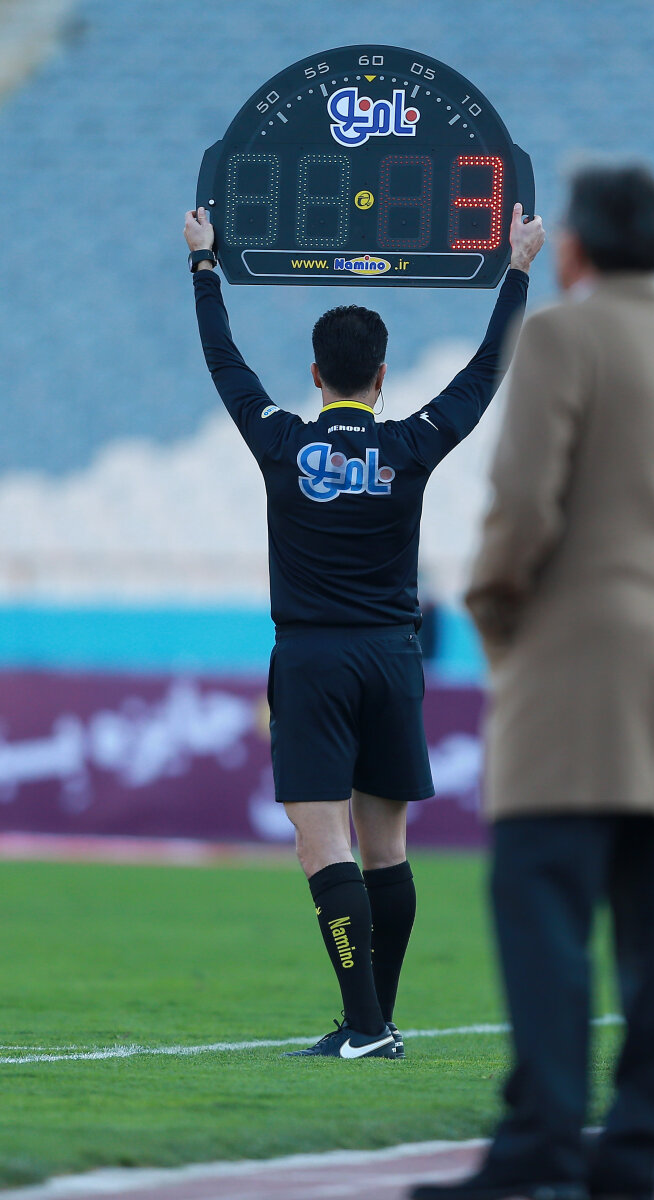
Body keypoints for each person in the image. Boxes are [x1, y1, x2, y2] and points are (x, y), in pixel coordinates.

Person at [411, 164, 654, 1198]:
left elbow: (522, 504)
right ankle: (633, 1153)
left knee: (541, 908)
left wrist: (496, 614)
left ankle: (542, 1141)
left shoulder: (562, 337)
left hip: (566, 667)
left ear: (574, 247)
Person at [184, 203, 545, 1060]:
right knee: (387, 849)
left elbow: (225, 362)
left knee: (323, 848)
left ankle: (366, 1026)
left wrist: (204, 266)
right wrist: (518, 269)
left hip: (313, 661)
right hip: (393, 658)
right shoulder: (411, 445)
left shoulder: (279, 440)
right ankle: (375, 1022)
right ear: (381, 376)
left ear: (317, 374)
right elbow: (485, 373)